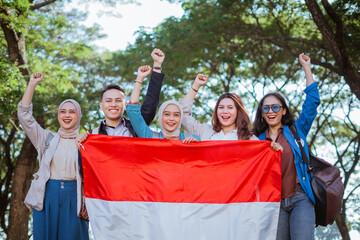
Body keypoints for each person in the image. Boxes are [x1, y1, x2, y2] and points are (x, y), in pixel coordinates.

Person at [253, 53, 320, 240]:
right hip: (274, 204)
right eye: (266, 108)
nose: (271, 111)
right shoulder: (257, 142)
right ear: (262, 114)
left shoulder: (296, 131)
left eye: (275, 107)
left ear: (283, 110)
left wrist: (307, 67)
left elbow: (312, 102)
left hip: (300, 199)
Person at [17, 73, 89, 240]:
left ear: (78, 115)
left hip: (75, 197)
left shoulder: (86, 142)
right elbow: (24, 116)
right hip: (47, 196)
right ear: (58, 115)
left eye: (72, 112)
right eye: (62, 111)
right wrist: (32, 84)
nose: (67, 115)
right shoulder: (45, 138)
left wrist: (89, 203)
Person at [76, 48, 165, 144]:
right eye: (108, 100)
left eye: (118, 100)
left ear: (126, 105)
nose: (113, 104)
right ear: (101, 106)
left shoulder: (136, 127)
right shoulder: (93, 135)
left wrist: (157, 66)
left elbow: (151, 102)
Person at [127, 65, 199, 142]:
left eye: (176, 115)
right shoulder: (149, 137)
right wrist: (139, 78)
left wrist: (194, 148)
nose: (171, 119)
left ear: (181, 118)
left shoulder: (193, 139)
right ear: (160, 117)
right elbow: (133, 111)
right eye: (167, 114)